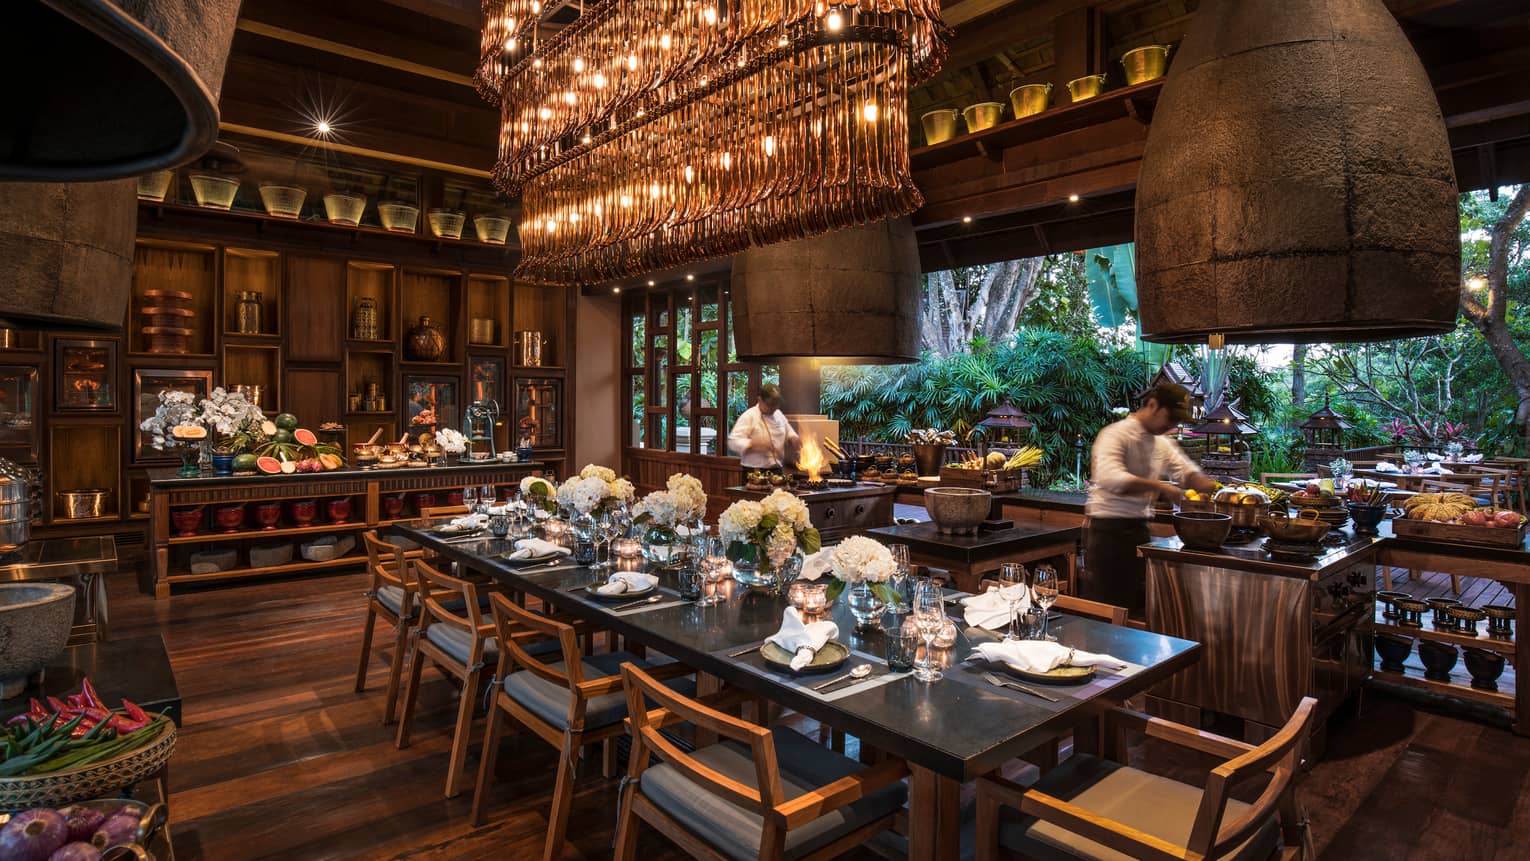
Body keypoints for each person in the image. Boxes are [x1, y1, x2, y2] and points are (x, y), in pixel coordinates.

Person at [1083, 382, 1217, 615]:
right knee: (1108, 611)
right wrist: (1162, 487)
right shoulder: (1115, 434)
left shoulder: (1161, 442)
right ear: (1153, 405)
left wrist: (1209, 486)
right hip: (1107, 533)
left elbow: (1185, 470)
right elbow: (1111, 478)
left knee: (1135, 609)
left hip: (1139, 532)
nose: (1171, 425)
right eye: (1170, 418)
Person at [727, 383, 799, 482]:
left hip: (777, 471)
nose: (773, 407)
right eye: (770, 404)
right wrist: (752, 444)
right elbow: (733, 441)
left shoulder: (778, 414)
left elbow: (789, 431)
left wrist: (793, 438)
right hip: (754, 472)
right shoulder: (749, 416)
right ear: (760, 400)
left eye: (776, 404)